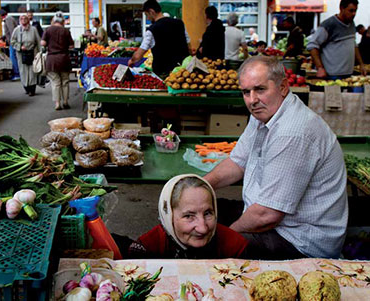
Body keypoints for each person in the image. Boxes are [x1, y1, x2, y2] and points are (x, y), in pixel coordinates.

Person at [204, 56, 348, 260]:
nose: (252, 100)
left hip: (299, 242)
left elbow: (266, 216)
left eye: (260, 89)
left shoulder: (292, 131)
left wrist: (226, 238)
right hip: (268, 216)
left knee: (209, 245)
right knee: (200, 212)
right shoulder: (265, 113)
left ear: (283, 87)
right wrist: (198, 187)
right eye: (246, 92)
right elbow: (237, 163)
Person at [128, 174, 248, 259]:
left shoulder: (236, 248)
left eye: (207, 213)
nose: (203, 228)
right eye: (189, 216)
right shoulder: (146, 250)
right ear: (168, 216)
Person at [128, 0, 190, 78]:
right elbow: (188, 44)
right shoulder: (180, 23)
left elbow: (140, 53)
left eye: (147, 15)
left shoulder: (152, 30)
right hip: (183, 72)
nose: (148, 18)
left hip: (164, 73)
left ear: (151, 11)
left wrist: (132, 61)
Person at [307, 0, 366, 78]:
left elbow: (353, 45)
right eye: (351, 10)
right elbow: (312, 45)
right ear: (341, 8)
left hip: (349, 74)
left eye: (355, 11)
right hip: (332, 75)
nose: (354, 14)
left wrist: (361, 64)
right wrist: (320, 67)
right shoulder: (329, 24)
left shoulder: (352, 24)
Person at [41, 11, 74, 110]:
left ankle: (57, 103)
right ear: (63, 21)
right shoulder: (66, 31)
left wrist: (49, 44)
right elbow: (71, 46)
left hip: (52, 60)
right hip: (64, 59)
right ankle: (65, 102)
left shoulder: (48, 30)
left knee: (55, 82)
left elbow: (42, 43)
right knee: (65, 81)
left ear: (53, 20)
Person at [11, 14, 41, 96]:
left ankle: (32, 88)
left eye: (25, 18)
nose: (23, 20)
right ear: (19, 20)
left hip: (32, 52)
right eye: (21, 18)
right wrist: (20, 47)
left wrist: (40, 53)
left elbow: (38, 41)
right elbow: (12, 42)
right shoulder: (17, 30)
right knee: (23, 70)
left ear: (28, 20)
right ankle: (26, 87)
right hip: (21, 54)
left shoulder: (33, 29)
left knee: (32, 70)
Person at [0, 9, 20, 81]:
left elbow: (12, 31)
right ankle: (17, 73)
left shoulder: (8, 19)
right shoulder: (9, 19)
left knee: (13, 57)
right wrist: (3, 37)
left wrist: (12, 41)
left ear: (2, 15)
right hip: (13, 41)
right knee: (14, 57)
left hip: (13, 42)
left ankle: (17, 73)